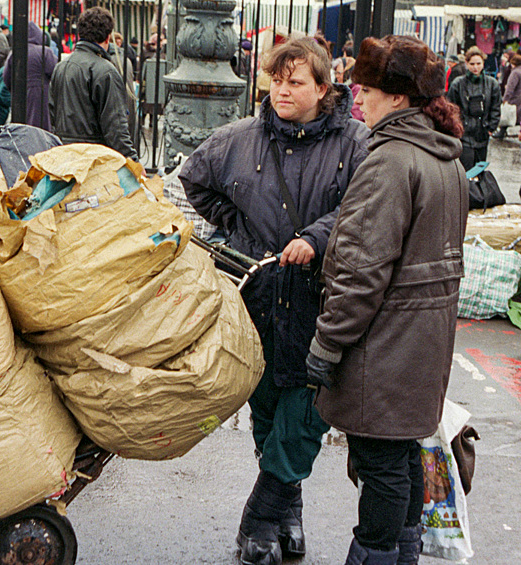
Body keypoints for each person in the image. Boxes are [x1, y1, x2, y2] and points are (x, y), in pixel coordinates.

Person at [180, 36, 369, 565]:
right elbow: (194, 179)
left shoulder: (356, 142)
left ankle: (261, 514)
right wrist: (235, 224)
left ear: (323, 88)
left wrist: (318, 237)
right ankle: (288, 508)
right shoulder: (239, 138)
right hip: (258, 295)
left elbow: (364, 208)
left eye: (296, 82)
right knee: (265, 405)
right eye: (277, 80)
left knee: (305, 409)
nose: (283, 91)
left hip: (320, 299)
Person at [305, 35, 469, 565]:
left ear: (397, 98)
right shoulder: (441, 156)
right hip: (423, 342)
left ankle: (375, 555)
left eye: (367, 88)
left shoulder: (391, 161)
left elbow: (359, 269)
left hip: (386, 344)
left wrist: (328, 344)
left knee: (380, 467)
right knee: (399, 459)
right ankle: (401, 554)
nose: (357, 98)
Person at [49, 6, 138, 160]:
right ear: (107, 37)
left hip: (63, 153)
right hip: (92, 156)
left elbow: (52, 112)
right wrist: (131, 158)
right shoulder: (105, 71)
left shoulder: (61, 67)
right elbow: (115, 125)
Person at [447, 46, 501, 171]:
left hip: (482, 134)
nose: (475, 67)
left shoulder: (492, 84)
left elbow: (496, 108)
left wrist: (490, 128)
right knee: (465, 172)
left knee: (479, 172)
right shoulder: (457, 84)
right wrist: (456, 128)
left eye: (478, 63)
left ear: (483, 63)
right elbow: (451, 108)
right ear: (466, 63)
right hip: (463, 135)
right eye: (472, 64)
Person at [3, 21, 56, 130]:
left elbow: (6, 77)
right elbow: (56, 73)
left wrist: (14, 90)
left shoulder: (14, 53)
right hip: (41, 95)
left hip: (19, 95)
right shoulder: (45, 52)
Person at [494, 53, 521, 140]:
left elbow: (510, 87)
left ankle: (501, 132)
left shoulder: (515, 73)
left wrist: (505, 99)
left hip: (514, 98)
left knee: (507, 114)